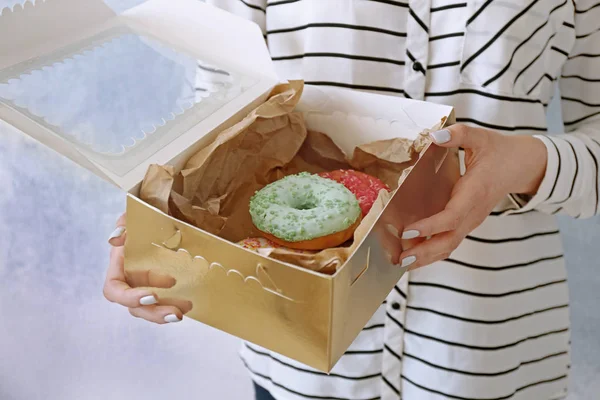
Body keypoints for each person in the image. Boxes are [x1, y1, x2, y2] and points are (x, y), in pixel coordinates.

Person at [103, 1, 600, 399]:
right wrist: (160, 223)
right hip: (298, 359)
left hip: (490, 348)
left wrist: (522, 163)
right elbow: (221, 104)